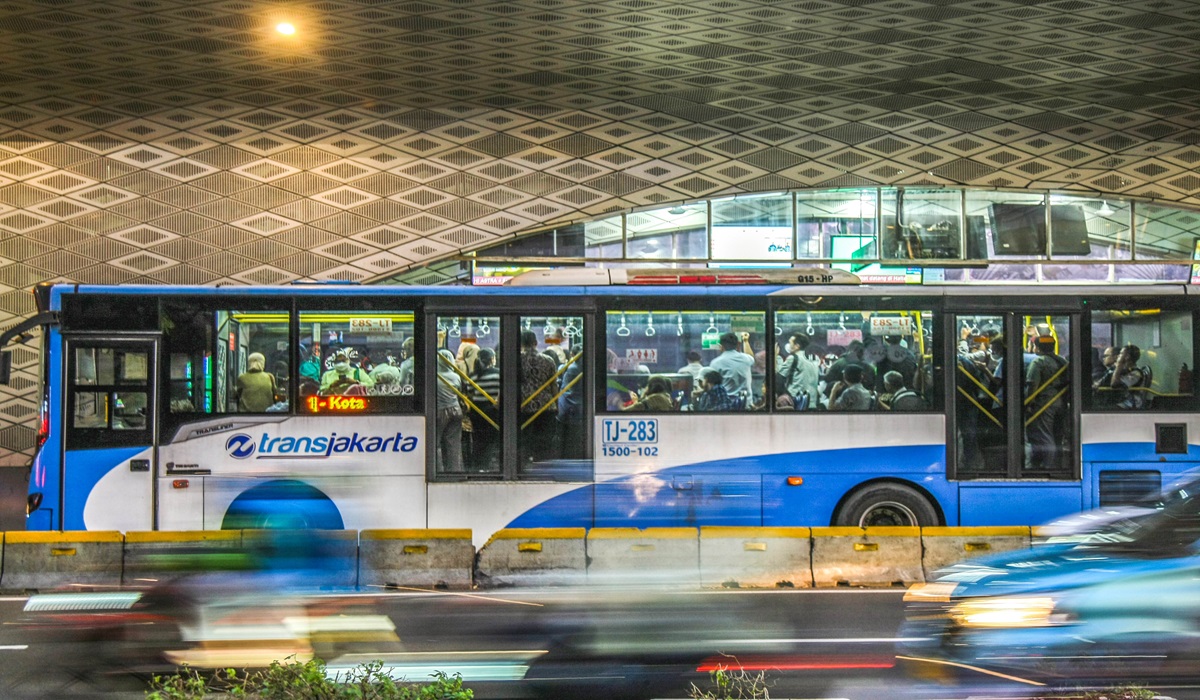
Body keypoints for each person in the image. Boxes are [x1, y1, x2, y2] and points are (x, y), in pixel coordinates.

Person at [1025, 335, 1068, 469]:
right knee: (1056, 435)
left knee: (1044, 435)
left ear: (1037, 347)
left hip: (1044, 403)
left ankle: (1048, 466)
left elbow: (1033, 385)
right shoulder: (1062, 361)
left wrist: (1028, 403)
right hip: (1060, 402)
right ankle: (1055, 463)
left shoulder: (1039, 362)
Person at [519, 330, 558, 466]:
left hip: (524, 406)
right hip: (546, 407)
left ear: (521, 343)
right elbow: (553, 386)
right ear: (536, 343)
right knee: (544, 442)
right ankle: (543, 467)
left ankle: (524, 467)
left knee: (525, 441)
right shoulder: (548, 360)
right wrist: (557, 405)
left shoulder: (516, 360)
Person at [470, 348, 501, 471]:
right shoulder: (499, 374)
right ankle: (489, 466)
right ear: (492, 359)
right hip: (493, 410)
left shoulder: (472, 375)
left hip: (477, 410)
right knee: (491, 440)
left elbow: (470, 394)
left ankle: (478, 466)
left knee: (478, 439)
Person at [435, 348, 464, 473]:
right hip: (456, 410)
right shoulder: (456, 376)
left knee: (435, 442)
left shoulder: (435, 376)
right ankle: (454, 470)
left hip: (440, 411)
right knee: (453, 443)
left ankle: (438, 470)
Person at [777, 331, 819, 410]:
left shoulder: (793, 358)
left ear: (797, 346)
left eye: (790, 343)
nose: (788, 346)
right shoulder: (814, 361)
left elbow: (779, 378)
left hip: (796, 403)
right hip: (812, 404)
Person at [710, 331, 753, 398]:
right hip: (746, 402)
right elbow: (751, 356)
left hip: (725, 402)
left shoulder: (716, 363)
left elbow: (712, 384)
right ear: (737, 344)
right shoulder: (746, 359)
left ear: (721, 346)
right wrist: (745, 341)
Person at [1107, 343, 1149, 409]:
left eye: (1121, 354)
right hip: (1119, 400)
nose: (1118, 356)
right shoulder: (1124, 370)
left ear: (1127, 357)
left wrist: (1119, 364)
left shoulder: (1136, 373)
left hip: (1129, 403)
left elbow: (1114, 384)